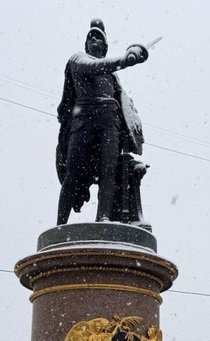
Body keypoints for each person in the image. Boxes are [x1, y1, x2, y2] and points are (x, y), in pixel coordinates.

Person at [56, 19, 149, 225]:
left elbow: (127, 108)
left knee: (109, 171)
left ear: (105, 47)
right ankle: (60, 224)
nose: (94, 39)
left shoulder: (114, 77)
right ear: (86, 44)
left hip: (110, 121)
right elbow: (93, 67)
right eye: (91, 37)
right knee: (72, 172)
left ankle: (104, 217)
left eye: (98, 37)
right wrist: (124, 60)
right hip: (83, 119)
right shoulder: (78, 59)